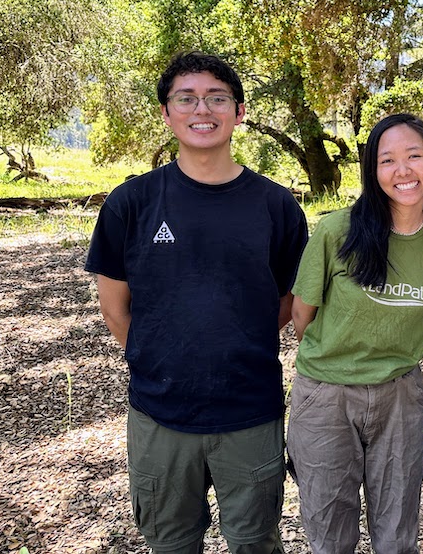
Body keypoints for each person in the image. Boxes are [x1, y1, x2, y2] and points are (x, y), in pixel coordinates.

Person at [85, 51, 309, 554]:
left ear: (239, 110)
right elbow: (115, 309)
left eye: (216, 98)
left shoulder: (276, 206)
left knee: (255, 541)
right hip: (159, 413)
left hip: (250, 411)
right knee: (170, 542)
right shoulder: (132, 203)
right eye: (186, 98)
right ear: (167, 113)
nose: (201, 109)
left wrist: (233, 343)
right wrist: (164, 358)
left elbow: (287, 300)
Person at [286, 113, 423, 554]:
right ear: (372, 172)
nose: (403, 171)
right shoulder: (336, 231)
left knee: (397, 533)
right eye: (387, 160)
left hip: (400, 396)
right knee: (329, 530)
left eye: (414, 156)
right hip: (326, 396)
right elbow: (303, 315)